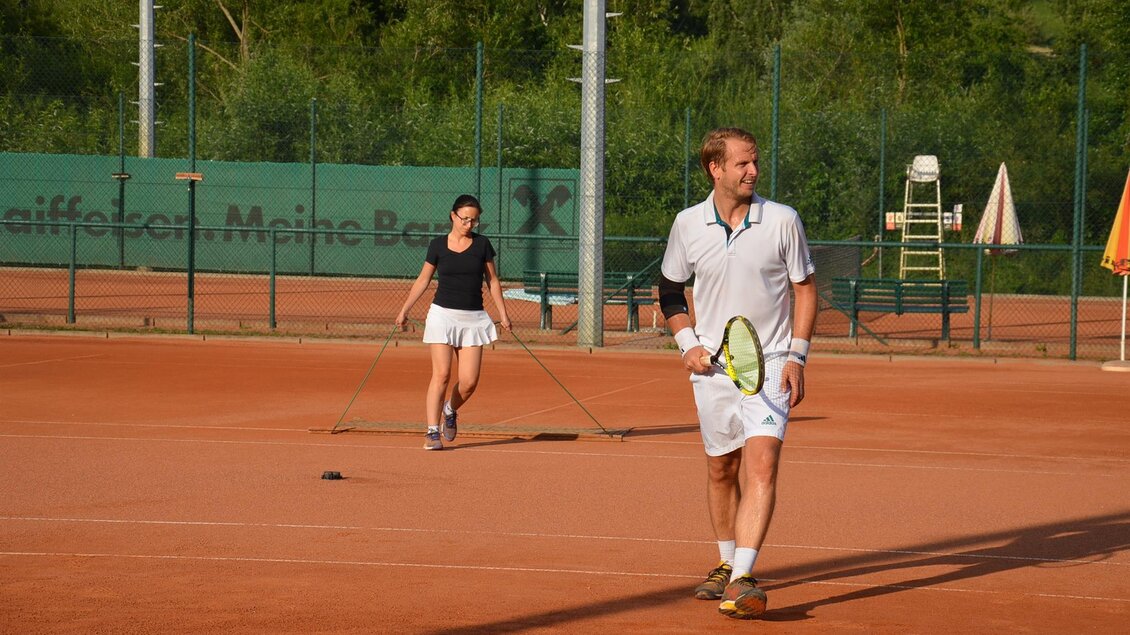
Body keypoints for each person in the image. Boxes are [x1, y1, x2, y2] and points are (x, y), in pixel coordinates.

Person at [658, 127, 817, 619]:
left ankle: (745, 577)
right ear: (716, 168)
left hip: (770, 364)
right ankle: (725, 563)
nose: (753, 171)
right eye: (743, 164)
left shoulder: (782, 220)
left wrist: (797, 357)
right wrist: (688, 344)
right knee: (721, 468)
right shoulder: (687, 224)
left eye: (755, 162)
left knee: (762, 466)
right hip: (712, 370)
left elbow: (805, 290)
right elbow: (668, 292)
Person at [396, 194, 511, 450]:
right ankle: (432, 431)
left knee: (469, 382)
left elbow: (492, 281)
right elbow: (423, 279)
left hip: (474, 318)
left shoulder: (482, 245)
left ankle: (450, 409)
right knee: (442, 374)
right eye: (465, 219)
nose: (469, 225)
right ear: (453, 216)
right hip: (442, 315)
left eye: (474, 220)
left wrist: (503, 314)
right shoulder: (437, 245)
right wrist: (405, 309)